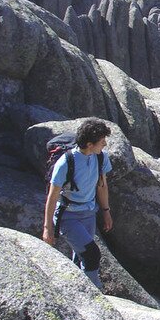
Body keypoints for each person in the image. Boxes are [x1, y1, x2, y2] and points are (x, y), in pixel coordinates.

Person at [42, 119, 113, 289]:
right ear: (90, 144)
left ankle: (80, 291)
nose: (105, 144)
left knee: (81, 256)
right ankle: (96, 291)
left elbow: (102, 186)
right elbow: (52, 197)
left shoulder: (101, 157)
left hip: (88, 213)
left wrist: (106, 211)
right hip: (68, 216)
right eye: (102, 141)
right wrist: (47, 228)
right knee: (91, 254)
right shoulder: (66, 163)